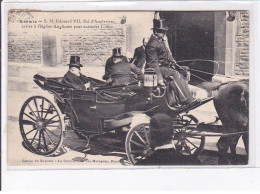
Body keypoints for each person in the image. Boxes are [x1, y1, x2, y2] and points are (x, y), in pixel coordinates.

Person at [145, 18, 197, 107]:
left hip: (164, 66)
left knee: (183, 71)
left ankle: (179, 98)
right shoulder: (152, 44)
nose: (164, 34)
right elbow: (153, 63)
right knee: (175, 74)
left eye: (164, 32)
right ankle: (185, 100)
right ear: (156, 32)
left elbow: (167, 54)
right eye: (162, 32)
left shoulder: (160, 41)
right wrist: (159, 79)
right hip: (157, 69)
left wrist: (174, 63)